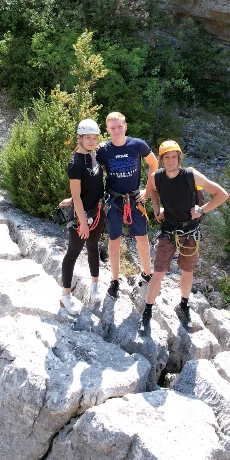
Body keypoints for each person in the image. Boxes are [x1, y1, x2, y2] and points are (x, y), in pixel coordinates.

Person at [141, 140, 229, 334]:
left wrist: (202, 210)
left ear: (179, 158)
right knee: (158, 272)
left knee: (187, 271)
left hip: (190, 230)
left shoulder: (191, 175)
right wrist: (156, 208)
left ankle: (184, 304)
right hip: (169, 229)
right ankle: (147, 311)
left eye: (174, 157)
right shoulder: (157, 177)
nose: (171, 161)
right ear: (161, 159)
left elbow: (222, 194)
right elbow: (153, 192)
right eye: (167, 157)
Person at [96, 112, 159, 299]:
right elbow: (94, 171)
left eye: (119, 126)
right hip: (114, 200)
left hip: (134, 199)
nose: (116, 130)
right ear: (107, 130)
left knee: (142, 238)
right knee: (114, 241)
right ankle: (114, 280)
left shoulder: (137, 145)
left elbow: (154, 164)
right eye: (112, 127)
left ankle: (148, 274)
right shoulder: (103, 150)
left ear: (126, 126)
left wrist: (147, 192)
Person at [57, 119, 107, 315]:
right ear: (79, 138)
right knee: (73, 253)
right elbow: (78, 196)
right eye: (88, 138)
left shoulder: (93, 156)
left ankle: (95, 284)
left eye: (95, 138)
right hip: (82, 216)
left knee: (93, 248)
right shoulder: (75, 163)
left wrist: (71, 199)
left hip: (97, 212)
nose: (92, 141)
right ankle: (66, 294)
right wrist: (82, 222)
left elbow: (88, 187)